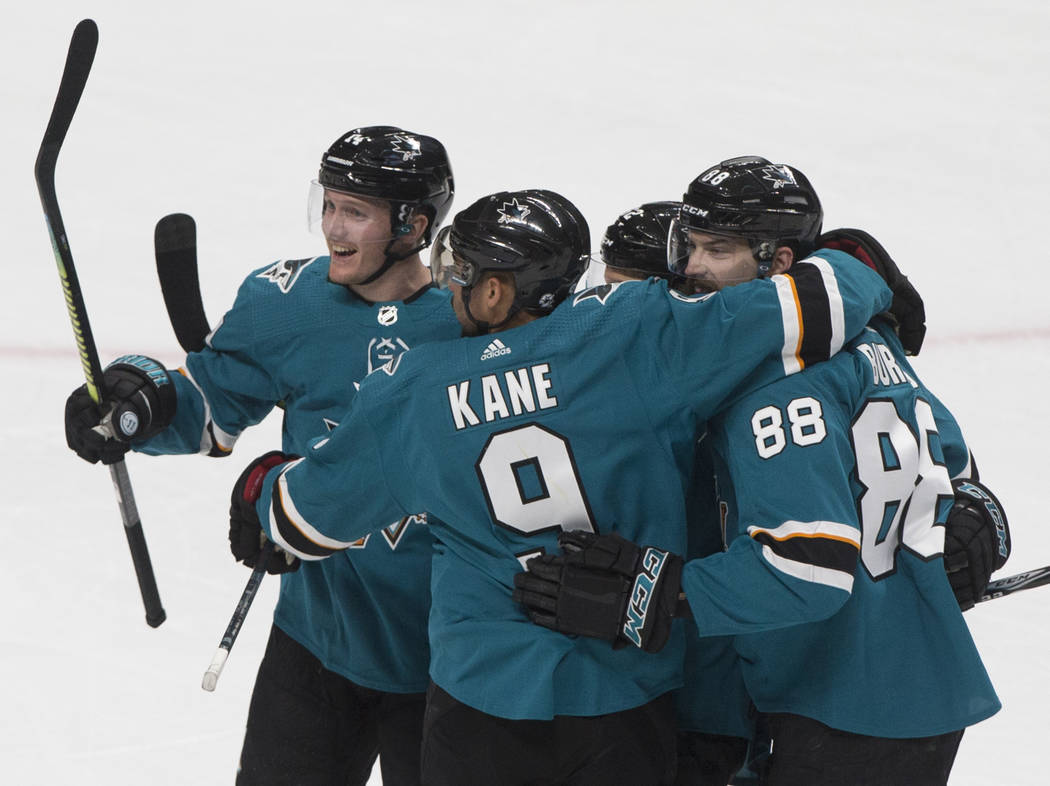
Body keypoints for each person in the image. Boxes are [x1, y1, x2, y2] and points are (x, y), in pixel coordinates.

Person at [218, 186, 893, 785]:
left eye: (463, 273)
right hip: (623, 699)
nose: (448, 286)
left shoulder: (413, 394)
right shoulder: (633, 331)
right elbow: (821, 302)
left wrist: (263, 486)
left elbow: (304, 520)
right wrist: (851, 256)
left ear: (495, 292)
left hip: (482, 702)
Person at [516, 157, 1008, 786]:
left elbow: (805, 568)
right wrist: (972, 515)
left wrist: (647, 595)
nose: (690, 270)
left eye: (715, 250)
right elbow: (954, 465)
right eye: (688, 246)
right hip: (907, 683)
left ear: (777, 263)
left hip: (845, 697)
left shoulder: (775, 389)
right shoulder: (869, 341)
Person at [63, 126, 458, 785]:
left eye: (355, 211)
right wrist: (136, 410)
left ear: (414, 225)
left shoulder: (471, 320)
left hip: (446, 658)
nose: (333, 227)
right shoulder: (288, 302)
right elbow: (208, 410)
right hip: (316, 639)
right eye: (328, 204)